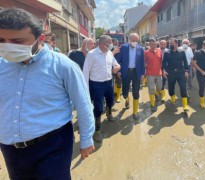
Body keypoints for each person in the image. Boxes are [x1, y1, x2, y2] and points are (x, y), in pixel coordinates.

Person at [0, 8, 95, 179]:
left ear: (40, 38)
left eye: (17, 41)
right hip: (10, 147)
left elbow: (83, 103)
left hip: (53, 145)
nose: (8, 46)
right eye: (1, 40)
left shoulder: (63, 66)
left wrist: (87, 138)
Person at [83, 35, 121, 143]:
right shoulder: (91, 54)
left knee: (110, 101)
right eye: (108, 42)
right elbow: (85, 72)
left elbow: (116, 64)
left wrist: (117, 67)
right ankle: (97, 130)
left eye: (110, 43)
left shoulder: (109, 53)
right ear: (101, 43)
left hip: (109, 82)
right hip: (96, 84)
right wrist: (85, 89)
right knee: (98, 107)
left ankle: (109, 115)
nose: (110, 45)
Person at [117, 33, 145, 119]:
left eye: (136, 40)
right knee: (125, 91)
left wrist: (143, 73)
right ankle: (127, 100)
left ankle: (135, 111)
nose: (135, 42)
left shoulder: (141, 49)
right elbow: (118, 60)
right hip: (126, 72)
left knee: (136, 92)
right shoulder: (123, 48)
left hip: (136, 72)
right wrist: (119, 71)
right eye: (133, 40)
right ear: (129, 40)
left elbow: (142, 62)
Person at [162, 38, 189, 112]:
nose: (170, 45)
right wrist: (164, 71)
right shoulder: (167, 53)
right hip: (170, 73)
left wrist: (186, 71)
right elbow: (163, 63)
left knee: (183, 88)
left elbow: (185, 62)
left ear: (177, 44)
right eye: (169, 43)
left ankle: (185, 105)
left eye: (172, 43)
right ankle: (173, 100)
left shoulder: (182, 52)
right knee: (171, 88)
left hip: (181, 73)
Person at [144, 38, 163, 112]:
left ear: (156, 44)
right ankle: (152, 104)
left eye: (154, 44)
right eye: (151, 44)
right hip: (150, 74)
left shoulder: (159, 51)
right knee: (151, 89)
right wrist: (144, 73)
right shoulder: (146, 52)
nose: (153, 45)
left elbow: (161, 61)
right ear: (149, 44)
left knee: (159, 87)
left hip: (159, 73)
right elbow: (144, 63)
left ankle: (157, 94)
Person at [111, 38, 122, 103]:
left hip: (118, 69)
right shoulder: (109, 50)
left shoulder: (121, 50)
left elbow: (122, 60)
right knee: (111, 83)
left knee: (119, 82)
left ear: (117, 43)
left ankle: (118, 96)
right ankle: (112, 94)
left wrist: (119, 70)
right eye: (113, 44)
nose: (114, 45)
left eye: (115, 44)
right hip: (110, 70)